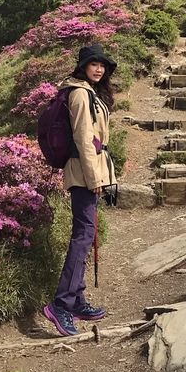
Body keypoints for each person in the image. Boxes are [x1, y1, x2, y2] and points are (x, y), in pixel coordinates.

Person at [42, 43, 118, 336]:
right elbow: (85, 141)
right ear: (83, 66)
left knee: (87, 234)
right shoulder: (79, 94)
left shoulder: (89, 93)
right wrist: (94, 179)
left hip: (90, 172)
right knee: (83, 235)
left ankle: (76, 299)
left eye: (102, 65)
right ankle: (60, 304)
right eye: (93, 63)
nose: (99, 69)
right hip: (84, 175)